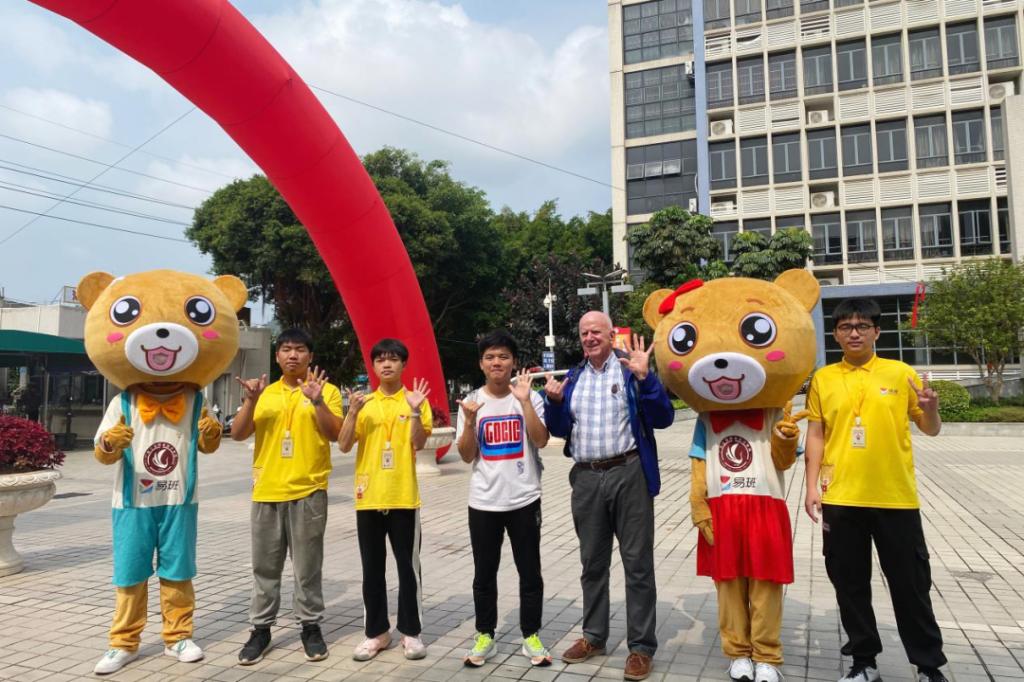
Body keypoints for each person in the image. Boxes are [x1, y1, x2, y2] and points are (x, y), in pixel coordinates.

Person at [804, 299, 947, 682]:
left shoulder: (900, 373)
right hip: (840, 498)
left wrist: (931, 408)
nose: (854, 333)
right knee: (849, 585)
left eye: (862, 326)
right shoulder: (823, 378)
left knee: (911, 585)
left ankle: (928, 666)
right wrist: (811, 487)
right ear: (835, 334)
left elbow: (930, 429)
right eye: (846, 327)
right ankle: (864, 662)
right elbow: (816, 434)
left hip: (895, 498)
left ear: (877, 332)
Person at [543, 311, 675, 682]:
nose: (589, 338)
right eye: (584, 332)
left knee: (637, 563)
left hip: (628, 473)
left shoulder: (629, 370)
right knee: (592, 563)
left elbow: (664, 417)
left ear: (610, 333)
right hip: (586, 477)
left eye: (596, 331)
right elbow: (560, 429)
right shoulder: (574, 377)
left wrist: (647, 379)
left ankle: (641, 647)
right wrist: (554, 403)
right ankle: (594, 636)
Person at [231, 328, 343, 665]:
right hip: (267, 490)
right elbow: (237, 433)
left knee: (307, 567)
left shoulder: (327, 390)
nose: (293, 355)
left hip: (309, 490)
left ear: (311, 356)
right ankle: (261, 629)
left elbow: (336, 434)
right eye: (286, 349)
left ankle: (310, 626)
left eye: (300, 349)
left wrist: (317, 401)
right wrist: (250, 400)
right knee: (265, 567)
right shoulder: (263, 393)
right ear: (277, 356)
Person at [456, 330, 551, 668]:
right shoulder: (470, 402)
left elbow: (540, 440)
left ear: (513, 362)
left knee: (530, 572)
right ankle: (485, 634)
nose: (497, 362)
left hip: (524, 499)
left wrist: (524, 403)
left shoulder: (528, 397)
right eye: (490, 357)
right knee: (484, 574)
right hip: (484, 502)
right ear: (481, 364)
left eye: (503, 356)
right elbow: (467, 456)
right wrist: (469, 423)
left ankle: (531, 635)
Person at [338, 338, 433, 662]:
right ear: (374, 366)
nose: (387, 364)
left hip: (403, 497)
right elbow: (344, 445)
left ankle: (411, 632)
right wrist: (352, 412)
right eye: (380, 359)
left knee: (408, 569)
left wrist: (416, 412)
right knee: (372, 569)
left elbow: (419, 443)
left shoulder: (415, 400)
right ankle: (376, 633)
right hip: (368, 497)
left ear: (404, 364)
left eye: (393, 359)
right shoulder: (364, 404)